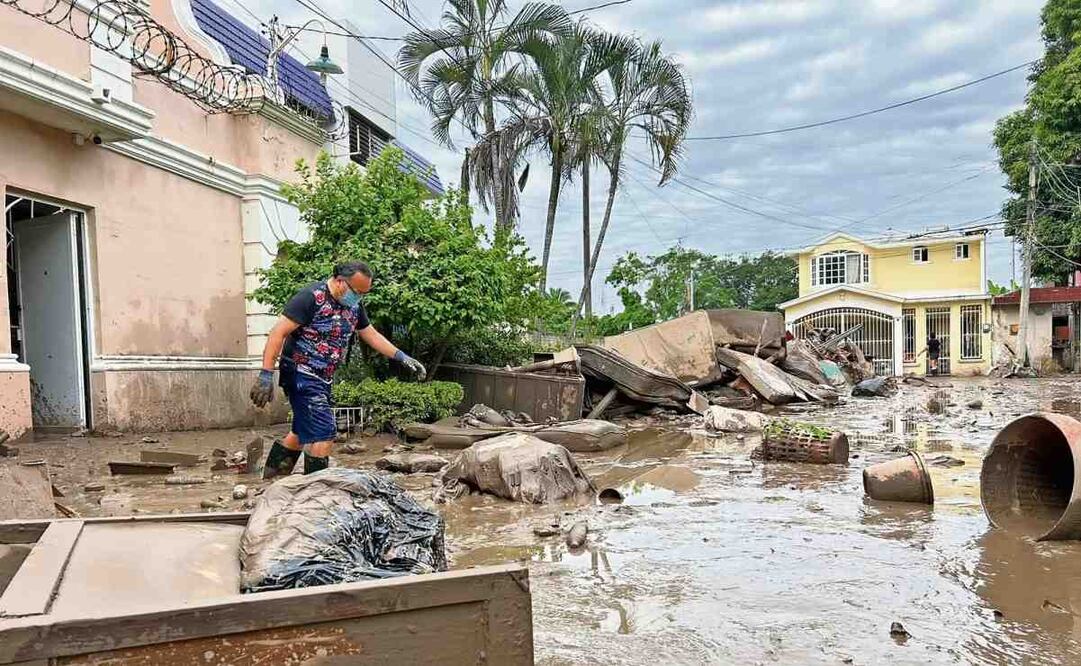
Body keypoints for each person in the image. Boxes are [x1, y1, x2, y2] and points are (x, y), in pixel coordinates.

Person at [249, 261, 425, 477]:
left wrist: (401, 356)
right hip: (300, 373)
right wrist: (266, 374)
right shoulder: (311, 297)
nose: (359, 297)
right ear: (341, 281)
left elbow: (370, 334)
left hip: (324, 377)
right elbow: (278, 332)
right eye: (357, 292)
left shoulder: (353, 306)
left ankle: (272, 479)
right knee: (324, 433)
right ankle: (316, 492)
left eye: (363, 294)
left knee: (300, 430)